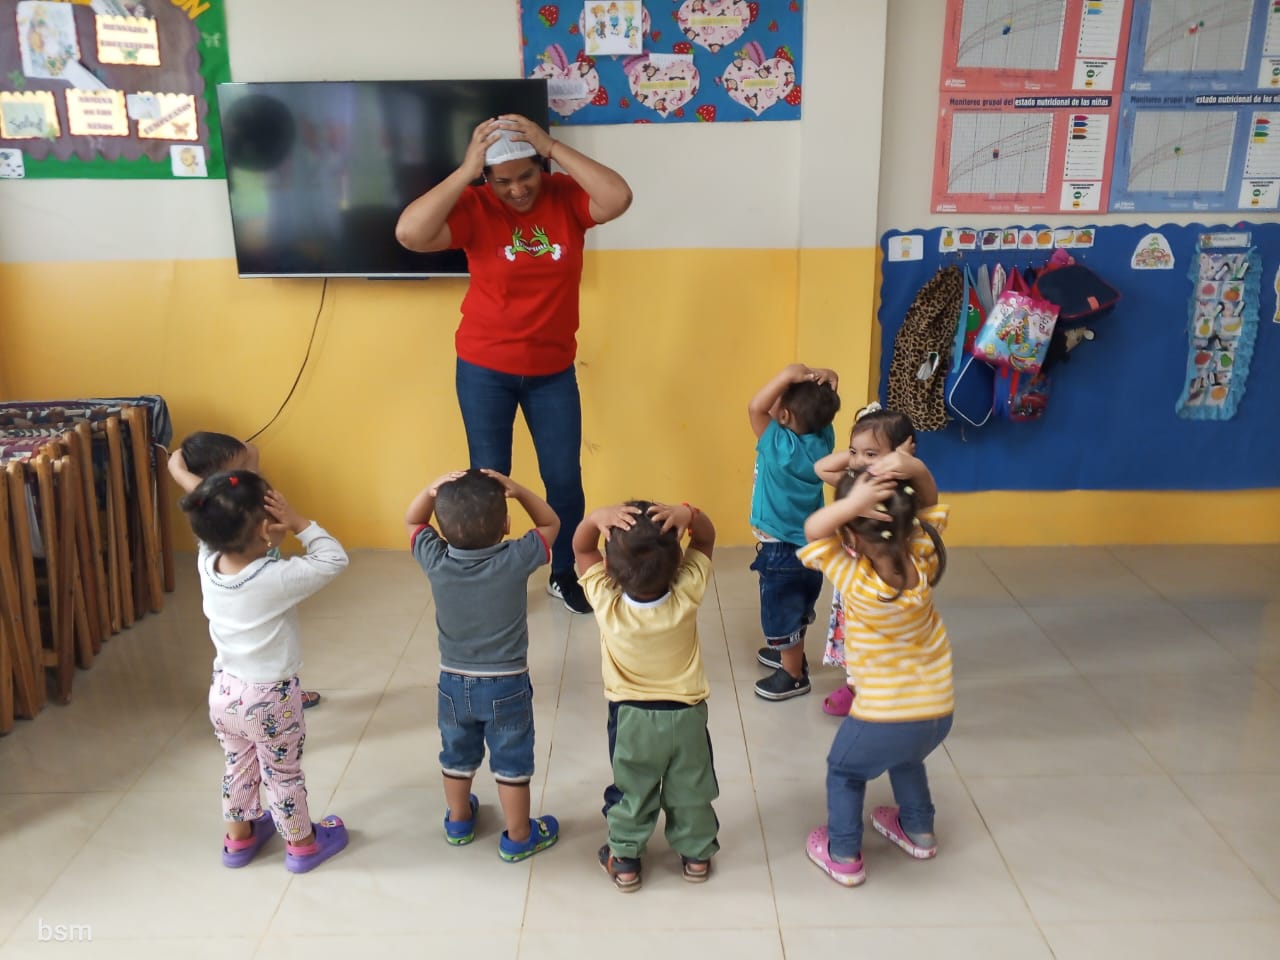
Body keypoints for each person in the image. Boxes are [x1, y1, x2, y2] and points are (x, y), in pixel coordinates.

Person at [395, 113, 633, 616]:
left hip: (552, 370)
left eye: (526, 175)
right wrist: (466, 171)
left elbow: (618, 198)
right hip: (485, 368)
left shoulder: (565, 197)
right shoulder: (475, 205)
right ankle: (492, 578)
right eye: (503, 181)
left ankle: (564, 573)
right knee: (488, 481)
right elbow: (410, 234)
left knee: (563, 478)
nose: (518, 189)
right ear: (487, 178)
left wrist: (552, 146)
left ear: (540, 167)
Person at [178, 470, 349, 872]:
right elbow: (334, 558)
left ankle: (239, 839)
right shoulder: (275, 578)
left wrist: (186, 477)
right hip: (270, 699)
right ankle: (302, 845)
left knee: (238, 764)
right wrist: (298, 521)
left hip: (224, 692)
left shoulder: (207, 562)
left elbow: (209, 525)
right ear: (263, 529)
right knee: (282, 774)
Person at [797, 453, 953, 888]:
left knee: (844, 771)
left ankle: (843, 853)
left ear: (850, 535)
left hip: (883, 718)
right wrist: (915, 468)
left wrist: (851, 504)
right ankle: (918, 830)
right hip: (937, 713)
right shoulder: (924, 556)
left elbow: (813, 530)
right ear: (909, 524)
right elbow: (930, 503)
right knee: (907, 758)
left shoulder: (855, 578)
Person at [406, 468, 561, 862]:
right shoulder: (515, 558)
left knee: (456, 754)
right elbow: (551, 523)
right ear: (506, 524)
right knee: (511, 760)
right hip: (506, 684)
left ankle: (459, 821)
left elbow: (412, 520)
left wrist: (431, 489)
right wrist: (519, 490)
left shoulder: (436, 559)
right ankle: (519, 836)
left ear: (442, 527)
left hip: (452, 682)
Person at [573, 500, 719, 891]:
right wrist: (691, 514)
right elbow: (706, 540)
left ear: (608, 569)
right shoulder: (687, 593)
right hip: (687, 716)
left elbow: (581, 549)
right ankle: (697, 856)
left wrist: (593, 520)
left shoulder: (606, 602)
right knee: (691, 787)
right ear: (679, 564)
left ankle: (624, 860)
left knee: (631, 789)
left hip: (631, 719)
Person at [170, 432, 323, 708]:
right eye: (237, 471)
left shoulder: (233, 510)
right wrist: (179, 472)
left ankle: (281, 693)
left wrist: (188, 468)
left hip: (264, 596)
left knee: (273, 645)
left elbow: (250, 450)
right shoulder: (223, 512)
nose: (247, 476)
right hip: (254, 596)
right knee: (264, 647)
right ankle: (273, 698)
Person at [806, 404, 917, 717]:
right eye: (855, 452)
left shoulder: (901, 490)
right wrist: (859, 456)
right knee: (855, 633)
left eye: (871, 453)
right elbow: (822, 468)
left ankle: (882, 690)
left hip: (886, 584)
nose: (858, 461)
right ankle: (855, 685)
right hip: (853, 583)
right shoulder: (855, 484)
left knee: (885, 637)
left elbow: (928, 503)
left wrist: (904, 464)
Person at [747, 363, 841, 701]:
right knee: (796, 605)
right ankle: (792, 654)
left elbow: (755, 407)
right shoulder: (823, 439)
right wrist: (831, 380)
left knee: (782, 612)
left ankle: (793, 673)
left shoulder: (779, 445)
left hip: (780, 550)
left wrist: (788, 375)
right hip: (811, 546)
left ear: (784, 416)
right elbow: (819, 410)